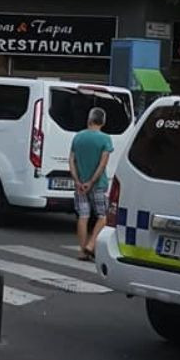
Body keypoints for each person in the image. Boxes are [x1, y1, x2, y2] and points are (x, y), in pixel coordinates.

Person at [69, 106, 114, 260]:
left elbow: (71, 160)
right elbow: (103, 164)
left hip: (79, 185)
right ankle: (91, 244)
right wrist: (91, 181)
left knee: (83, 216)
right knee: (103, 216)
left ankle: (82, 251)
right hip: (98, 185)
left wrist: (77, 180)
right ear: (103, 122)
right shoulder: (105, 139)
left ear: (89, 119)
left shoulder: (78, 137)